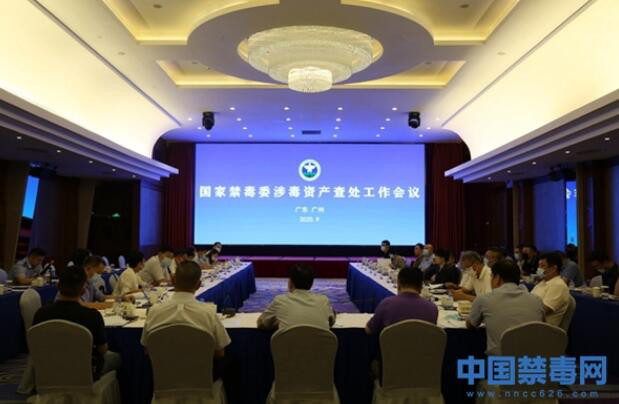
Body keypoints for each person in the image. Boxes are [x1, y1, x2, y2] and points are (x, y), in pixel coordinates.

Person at [32, 266, 121, 379]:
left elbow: (35, 346)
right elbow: (103, 350)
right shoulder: (92, 316)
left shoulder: (41, 314)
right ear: (83, 291)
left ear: (58, 286)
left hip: (48, 372)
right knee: (117, 358)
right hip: (84, 374)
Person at [141, 260, 230, 358]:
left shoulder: (154, 312)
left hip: (162, 367)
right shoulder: (208, 313)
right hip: (199, 367)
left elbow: (147, 349)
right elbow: (220, 352)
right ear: (198, 285)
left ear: (173, 280)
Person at [466, 260, 545, 355]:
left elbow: (471, 325)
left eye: (491, 276)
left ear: (497, 278)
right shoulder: (537, 300)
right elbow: (542, 326)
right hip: (533, 360)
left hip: (500, 360)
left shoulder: (484, 299)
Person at [257, 264, 335, 330]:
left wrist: (277, 324)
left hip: (286, 344)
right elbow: (331, 322)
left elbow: (261, 324)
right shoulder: (323, 300)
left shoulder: (280, 300)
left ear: (290, 283)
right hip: (320, 344)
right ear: (311, 284)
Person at [365, 266, 438, 335]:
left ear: (398, 283)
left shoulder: (387, 304)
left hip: (392, 344)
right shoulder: (432, 308)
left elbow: (369, 330)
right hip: (422, 344)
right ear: (421, 286)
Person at [531, 252, 571, 327]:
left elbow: (542, 310)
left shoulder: (558, 286)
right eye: (539, 266)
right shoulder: (542, 282)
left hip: (544, 328)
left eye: (542, 266)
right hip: (533, 322)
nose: (539, 269)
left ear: (553, 268)